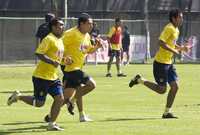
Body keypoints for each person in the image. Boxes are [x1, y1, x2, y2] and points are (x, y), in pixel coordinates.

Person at [129, 9, 191, 119]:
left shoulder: (176, 30)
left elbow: (171, 43)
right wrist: (174, 51)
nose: (182, 19)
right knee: (162, 90)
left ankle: (166, 113)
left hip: (169, 63)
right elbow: (161, 42)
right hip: (160, 64)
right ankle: (139, 80)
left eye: (182, 17)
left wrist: (181, 48)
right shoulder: (169, 28)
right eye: (180, 17)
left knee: (175, 87)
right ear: (173, 18)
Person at [7, 18, 67, 131]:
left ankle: (52, 124)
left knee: (60, 99)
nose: (62, 27)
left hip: (53, 77)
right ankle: (18, 96)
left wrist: (64, 60)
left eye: (63, 25)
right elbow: (39, 53)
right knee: (39, 103)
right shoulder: (48, 39)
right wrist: (52, 62)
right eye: (60, 25)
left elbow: (57, 57)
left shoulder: (60, 40)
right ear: (53, 27)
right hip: (41, 77)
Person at [62, 13, 102, 122]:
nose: (91, 26)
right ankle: (74, 103)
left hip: (77, 68)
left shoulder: (87, 36)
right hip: (70, 68)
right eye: (89, 24)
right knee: (91, 85)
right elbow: (58, 46)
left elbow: (88, 50)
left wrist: (96, 47)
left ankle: (50, 116)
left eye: (92, 24)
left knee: (65, 97)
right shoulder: (70, 33)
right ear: (81, 24)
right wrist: (64, 58)